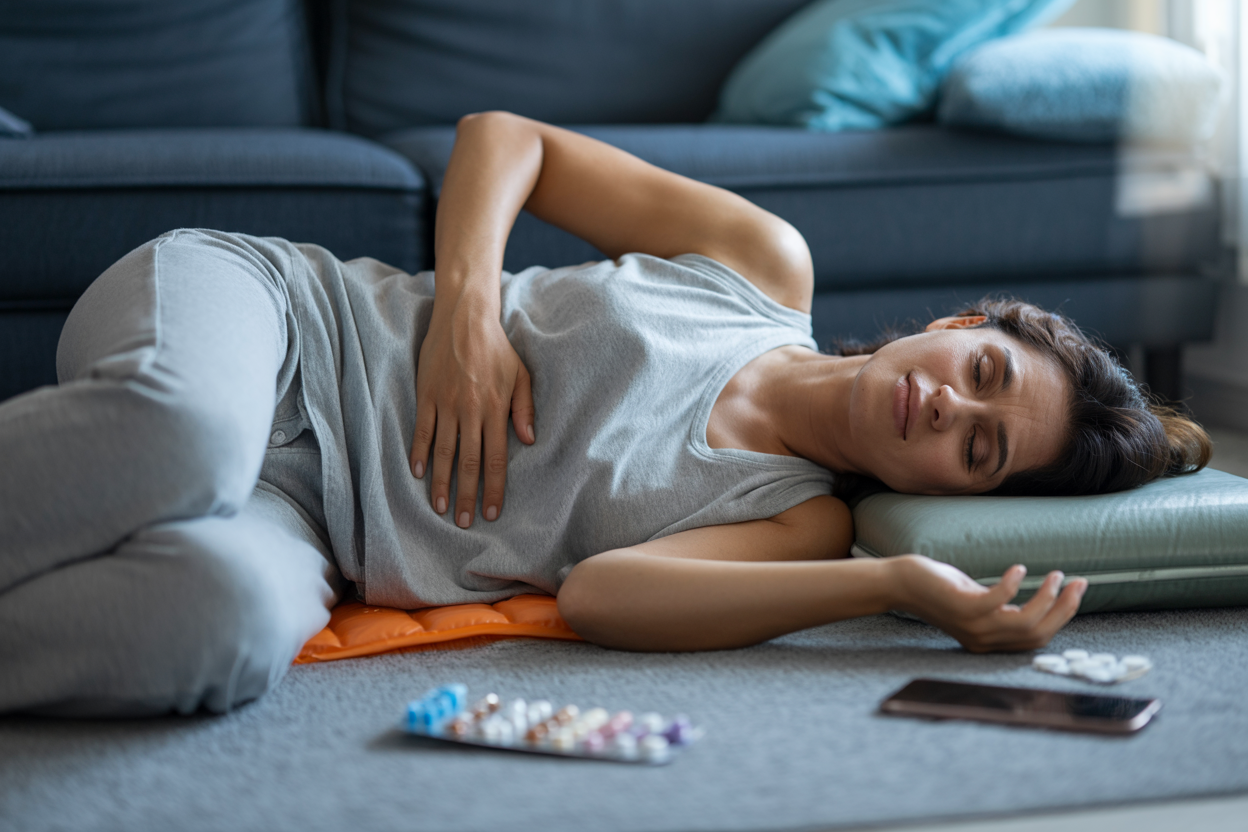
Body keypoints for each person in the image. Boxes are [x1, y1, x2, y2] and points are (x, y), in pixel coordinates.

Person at [0, 112, 1210, 717]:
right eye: (983, 372)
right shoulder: (759, 264)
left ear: (956, 495)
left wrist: (893, 587)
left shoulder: (795, 528)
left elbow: (602, 595)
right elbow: (503, 139)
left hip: (309, 523)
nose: (947, 405)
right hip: (270, 316)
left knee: (211, 627)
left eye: (979, 448)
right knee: (181, 443)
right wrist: (468, 315)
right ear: (961, 320)